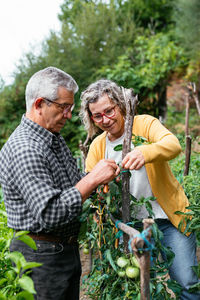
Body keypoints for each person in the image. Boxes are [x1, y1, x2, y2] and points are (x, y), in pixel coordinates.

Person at [0, 68, 120, 300]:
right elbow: (52, 212)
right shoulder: (26, 149)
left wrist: (98, 182)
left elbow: (73, 184)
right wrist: (93, 178)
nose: (68, 115)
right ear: (39, 104)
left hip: (61, 251)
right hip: (41, 256)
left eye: (70, 108)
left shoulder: (52, 138)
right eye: (63, 107)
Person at [80, 79, 200, 300]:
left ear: (120, 105)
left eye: (109, 111)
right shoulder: (98, 146)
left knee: (186, 283)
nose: (105, 119)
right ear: (91, 118)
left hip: (169, 220)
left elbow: (173, 145)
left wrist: (145, 152)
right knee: (144, 287)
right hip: (130, 228)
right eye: (98, 116)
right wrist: (104, 188)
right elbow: (92, 187)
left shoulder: (143, 124)